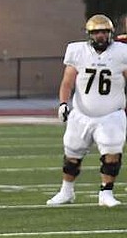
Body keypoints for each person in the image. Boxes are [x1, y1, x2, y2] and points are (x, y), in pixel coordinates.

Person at [47, 14, 127, 207]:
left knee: (112, 154)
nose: (101, 36)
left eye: (105, 32)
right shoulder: (77, 51)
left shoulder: (122, 52)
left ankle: (106, 193)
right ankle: (66, 192)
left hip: (112, 114)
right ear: (89, 34)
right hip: (81, 114)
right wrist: (63, 104)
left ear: (110, 33)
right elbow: (67, 82)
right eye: (97, 32)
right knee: (72, 155)